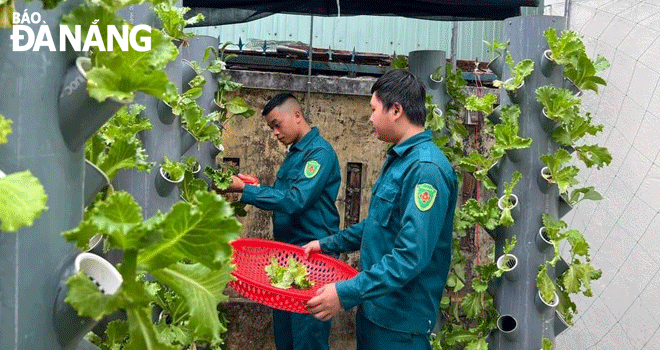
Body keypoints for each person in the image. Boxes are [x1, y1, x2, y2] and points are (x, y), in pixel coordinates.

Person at [303, 69, 458, 350]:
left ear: (396, 110)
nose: (371, 117)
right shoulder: (400, 159)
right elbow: (377, 225)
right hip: (375, 311)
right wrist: (326, 244)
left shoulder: (425, 170)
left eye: (374, 109)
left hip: (399, 324)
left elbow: (410, 256)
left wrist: (344, 292)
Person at [226, 92, 341, 350]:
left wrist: (247, 192)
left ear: (297, 116)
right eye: (270, 128)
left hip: (313, 262)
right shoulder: (296, 154)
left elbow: (295, 200)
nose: (275, 133)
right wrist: (253, 186)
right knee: (286, 338)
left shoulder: (318, 154)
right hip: (288, 258)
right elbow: (285, 196)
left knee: (307, 339)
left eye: (277, 124)